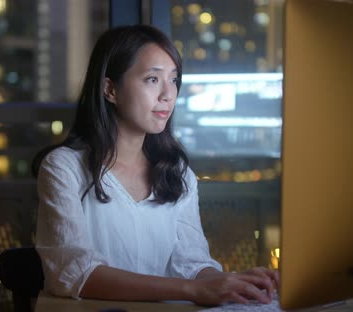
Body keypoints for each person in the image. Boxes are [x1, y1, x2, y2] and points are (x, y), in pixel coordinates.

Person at [32, 24, 279, 306]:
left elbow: (192, 263)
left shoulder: (178, 173)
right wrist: (191, 290)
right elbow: (75, 273)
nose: (168, 94)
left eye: (174, 80)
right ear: (110, 89)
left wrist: (234, 283)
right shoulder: (63, 168)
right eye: (152, 79)